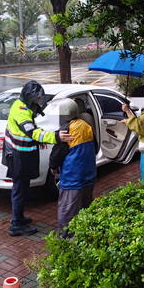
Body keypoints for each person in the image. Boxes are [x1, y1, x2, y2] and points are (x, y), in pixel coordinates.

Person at [2, 80, 73, 236]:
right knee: (19, 190)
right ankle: (16, 225)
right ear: (29, 97)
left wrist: (37, 141)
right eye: (36, 98)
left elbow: (29, 132)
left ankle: (19, 218)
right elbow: (32, 132)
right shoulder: (21, 111)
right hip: (18, 157)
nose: (38, 101)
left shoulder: (21, 106)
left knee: (21, 189)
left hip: (20, 155)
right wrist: (56, 137)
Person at [49, 99, 96, 238]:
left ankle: (65, 240)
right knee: (85, 207)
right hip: (89, 175)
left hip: (72, 178)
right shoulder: (86, 125)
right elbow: (95, 147)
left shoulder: (66, 130)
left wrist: (53, 166)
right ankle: (84, 236)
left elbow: (57, 152)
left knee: (67, 211)